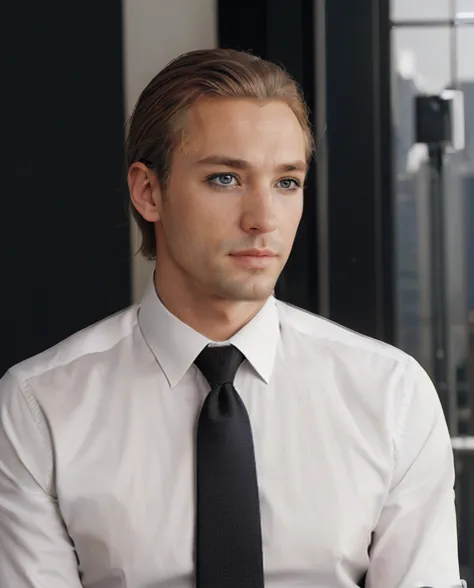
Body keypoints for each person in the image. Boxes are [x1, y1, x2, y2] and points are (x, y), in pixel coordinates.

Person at [0, 48, 462, 588]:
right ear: (148, 191)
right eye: (225, 178)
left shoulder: (391, 395)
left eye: (286, 182)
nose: (263, 219)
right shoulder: (40, 407)